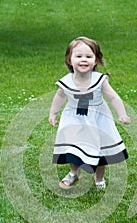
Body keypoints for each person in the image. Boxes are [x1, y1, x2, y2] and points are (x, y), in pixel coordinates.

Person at [49, 36, 130, 190]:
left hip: (98, 120)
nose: (84, 60)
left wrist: (122, 114)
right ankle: (74, 173)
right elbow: (60, 96)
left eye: (89, 56)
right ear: (69, 60)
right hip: (74, 119)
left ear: (96, 60)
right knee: (72, 147)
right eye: (78, 56)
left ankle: (99, 178)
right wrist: (53, 113)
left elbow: (113, 97)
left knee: (101, 151)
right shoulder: (66, 81)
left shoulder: (99, 80)